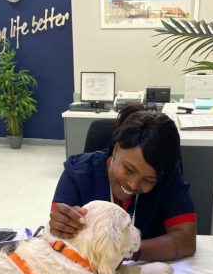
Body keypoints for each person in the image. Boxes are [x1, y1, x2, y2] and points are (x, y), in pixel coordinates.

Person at [50, 104, 197, 261]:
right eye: (128, 169)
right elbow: (61, 241)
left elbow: (186, 241)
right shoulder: (78, 173)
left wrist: (125, 251)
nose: (133, 185)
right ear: (116, 148)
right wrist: (61, 225)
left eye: (148, 180)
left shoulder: (168, 177)